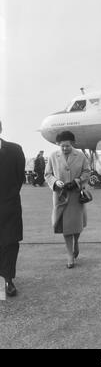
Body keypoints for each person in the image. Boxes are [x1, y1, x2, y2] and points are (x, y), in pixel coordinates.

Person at [45, 131, 91, 268]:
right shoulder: (53, 156)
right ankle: (70, 255)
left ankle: (76, 242)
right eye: (62, 146)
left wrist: (77, 181)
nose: (65, 148)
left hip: (76, 196)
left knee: (76, 226)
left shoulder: (81, 155)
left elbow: (87, 172)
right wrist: (55, 182)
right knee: (65, 227)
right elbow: (47, 174)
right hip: (61, 196)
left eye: (67, 146)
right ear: (58, 145)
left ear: (72, 144)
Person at [0, 120, 25, 297]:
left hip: (9, 205)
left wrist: (9, 196)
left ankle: (8, 279)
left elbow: (19, 178)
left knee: (10, 242)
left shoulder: (15, 150)